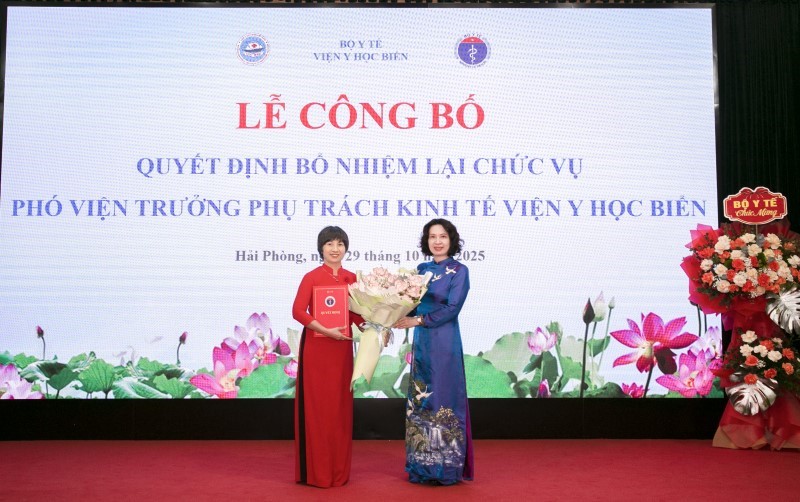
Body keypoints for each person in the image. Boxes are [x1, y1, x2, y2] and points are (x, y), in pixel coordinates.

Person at [394, 218, 474, 485]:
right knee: (421, 400)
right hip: (422, 343)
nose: (437, 241)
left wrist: (418, 320)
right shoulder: (421, 269)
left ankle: (445, 469)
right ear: (426, 241)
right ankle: (422, 466)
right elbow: (412, 305)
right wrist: (388, 313)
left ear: (451, 240)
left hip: (444, 341)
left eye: (442, 236)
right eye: (432, 236)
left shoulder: (459, 271)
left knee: (443, 397)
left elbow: (452, 308)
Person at [292, 226, 363, 488]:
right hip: (318, 349)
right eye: (330, 244)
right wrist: (325, 330)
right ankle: (318, 473)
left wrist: (379, 327)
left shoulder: (352, 278)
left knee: (339, 410)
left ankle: (338, 472)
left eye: (340, 244)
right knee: (318, 409)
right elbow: (298, 311)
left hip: (342, 350)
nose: (335, 249)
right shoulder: (311, 277)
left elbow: (357, 316)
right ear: (321, 248)